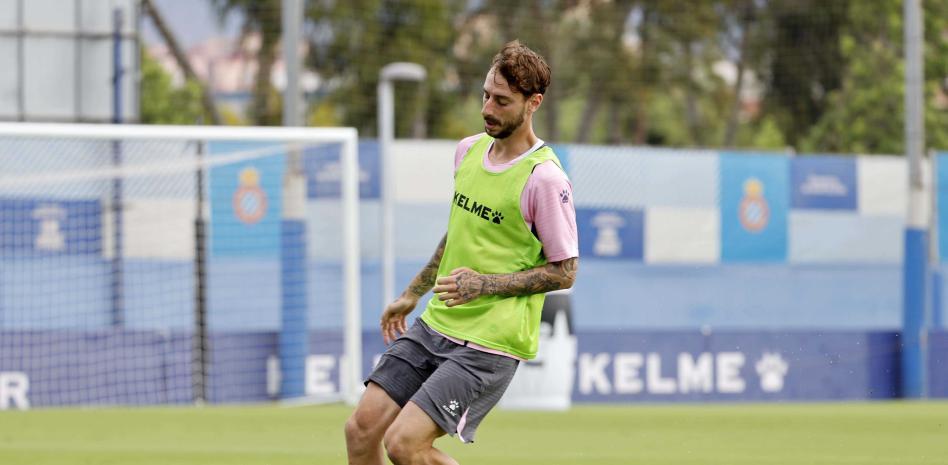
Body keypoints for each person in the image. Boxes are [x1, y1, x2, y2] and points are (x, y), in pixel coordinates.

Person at [344, 40, 579, 465]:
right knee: (361, 430)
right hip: (437, 324)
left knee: (404, 444)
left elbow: (565, 271)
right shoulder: (468, 151)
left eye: (502, 101)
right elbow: (457, 233)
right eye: (486, 95)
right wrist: (413, 293)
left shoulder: (545, 178)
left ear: (534, 103)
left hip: (490, 345)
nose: (488, 108)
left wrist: (483, 284)